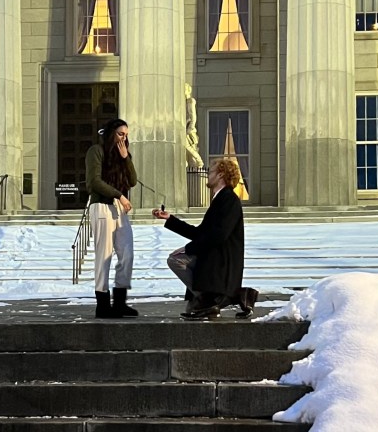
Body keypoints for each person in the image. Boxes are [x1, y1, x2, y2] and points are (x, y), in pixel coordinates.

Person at [152, 159, 258, 320]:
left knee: (176, 260)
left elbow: (219, 235)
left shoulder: (228, 199)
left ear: (221, 175)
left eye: (211, 172)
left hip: (221, 262)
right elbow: (200, 233)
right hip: (214, 258)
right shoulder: (221, 199)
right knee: (177, 263)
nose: (208, 175)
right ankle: (222, 298)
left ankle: (215, 299)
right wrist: (170, 219)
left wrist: (189, 249)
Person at [86, 118, 139, 318]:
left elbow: (132, 181)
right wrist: (120, 195)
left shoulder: (122, 154)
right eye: (120, 134)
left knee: (127, 253)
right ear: (111, 133)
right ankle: (102, 304)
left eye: (126, 135)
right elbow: (94, 182)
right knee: (104, 255)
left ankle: (119, 302)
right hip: (101, 205)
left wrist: (126, 158)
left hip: (119, 207)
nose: (123, 138)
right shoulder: (96, 151)